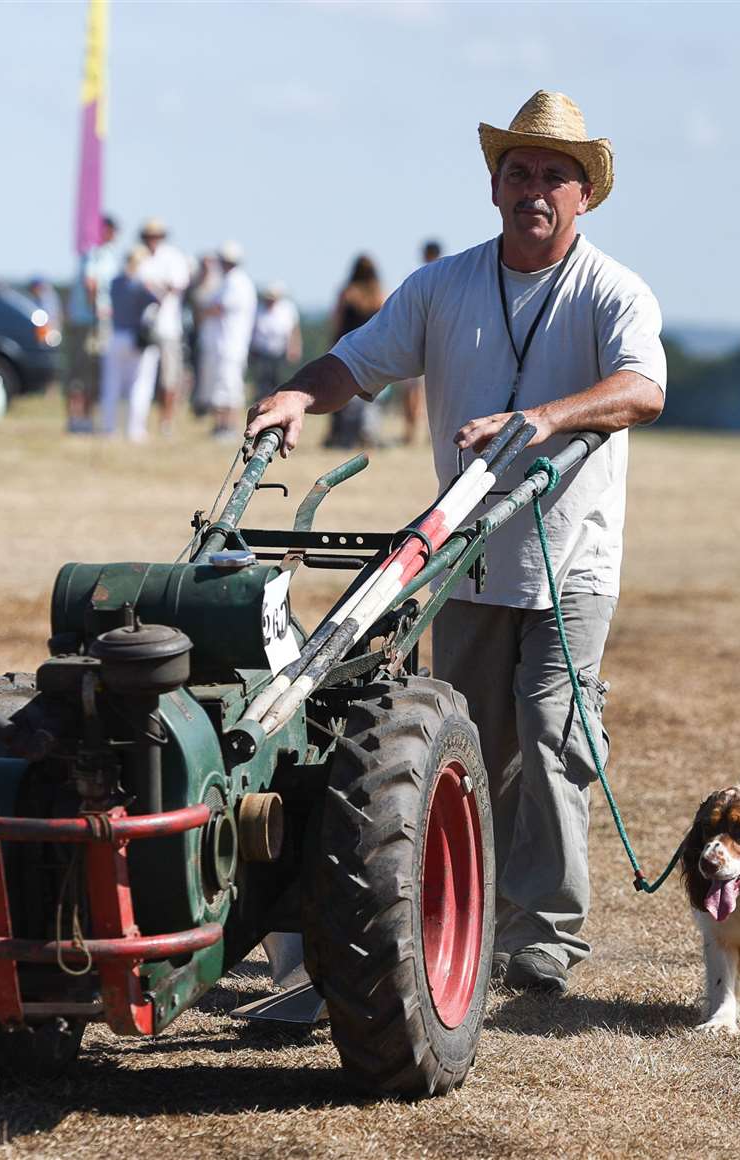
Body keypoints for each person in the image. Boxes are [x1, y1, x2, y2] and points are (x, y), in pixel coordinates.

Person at [247, 90, 666, 995]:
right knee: (468, 746)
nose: (535, 188)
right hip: (465, 562)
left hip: (570, 560)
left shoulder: (613, 290)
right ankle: (461, 913)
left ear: (585, 193)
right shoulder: (445, 287)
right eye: (519, 171)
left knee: (553, 737)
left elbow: (643, 388)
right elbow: (357, 362)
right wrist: (295, 395)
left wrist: (543, 418)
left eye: (555, 173)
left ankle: (545, 934)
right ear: (494, 186)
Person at [99, 245, 161, 442]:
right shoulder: (141, 285)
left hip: (116, 336)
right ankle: (135, 429)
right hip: (135, 337)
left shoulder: (116, 282)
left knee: (112, 383)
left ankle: (109, 428)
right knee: (139, 384)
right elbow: (157, 301)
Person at [136, 218, 192, 436]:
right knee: (142, 376)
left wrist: (153, 288)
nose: (152, 240)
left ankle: (165, 422)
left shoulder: (172, 256)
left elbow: (176, 285)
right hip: (143, 326)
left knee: (169, 378)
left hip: (168, 326)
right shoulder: (139, 256)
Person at [324, 254, 385, 449]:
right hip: (372, 352)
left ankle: (343, 436)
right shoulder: (379, 295)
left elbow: (337, 322)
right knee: (370, 398)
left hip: (347, 351)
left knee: (345, 397)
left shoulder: (347, 294)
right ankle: (367, 435)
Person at [197, 240, 256, 439]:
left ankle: (228, 425)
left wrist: (203, 311)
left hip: (230, 344)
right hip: (223, 344)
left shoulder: (236, 282)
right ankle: (221, 424)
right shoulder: (228, 281)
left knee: (229, 386)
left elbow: (217, 307)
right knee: (221, 385)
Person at [66, 214, 120, 434]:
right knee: (82, 371)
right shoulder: (93, 254)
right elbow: (91, 283)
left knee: (94, 371)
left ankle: (87, 418)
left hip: (101, 321)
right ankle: (77, 418)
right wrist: (95, 309)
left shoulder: (109, 256)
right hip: (88, 322)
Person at [400, 239, 443, 445]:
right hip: (430, 346)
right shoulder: (446, 277)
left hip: (422, 345)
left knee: (417, 395)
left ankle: (416, 433)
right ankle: (418, 433)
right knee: (421, 395)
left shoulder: (422, 279)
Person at [249, 282, 302, 401]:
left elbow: (294, 330)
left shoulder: (287, 309)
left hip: (280, 350)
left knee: (278, 380)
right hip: (261, 351)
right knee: (262, 380)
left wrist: (294, 348)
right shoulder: (258, 309)